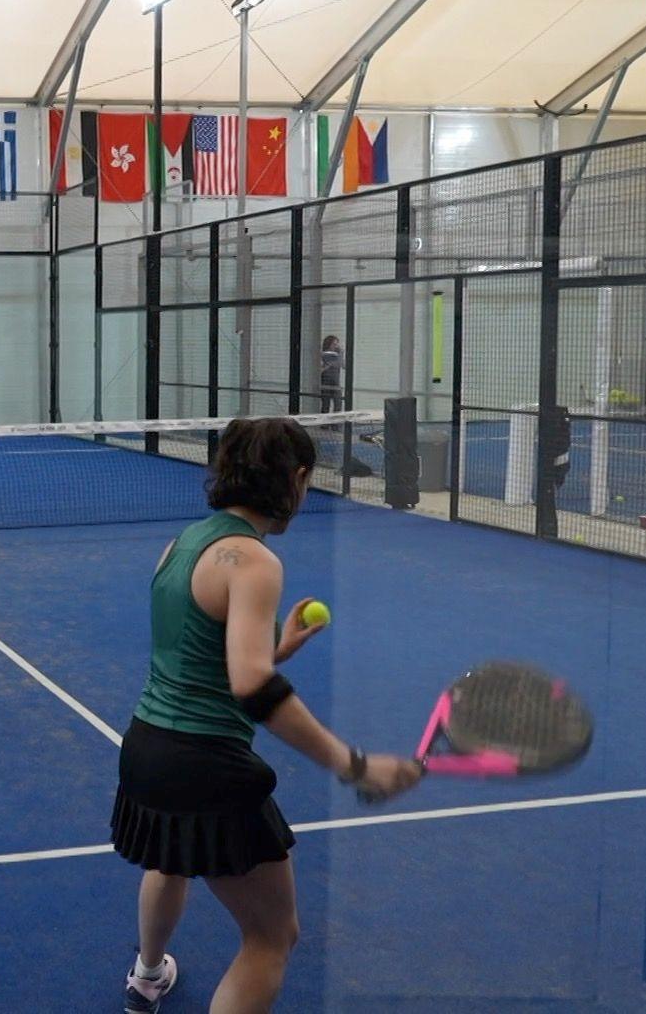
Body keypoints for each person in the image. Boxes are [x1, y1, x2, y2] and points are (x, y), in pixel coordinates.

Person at [113, 417, 420, 1013]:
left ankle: (148, 975)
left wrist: (274, 647)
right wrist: (353, 764)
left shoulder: (181, 545)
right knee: (271, 937)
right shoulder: (254, 562)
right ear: (297, 478)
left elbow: (194, 660)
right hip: (207, 768)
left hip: (146, 751)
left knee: (167, 861)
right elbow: (250, 684)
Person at [318, 336, 344, 414]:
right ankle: (325, 425)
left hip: (335, 382)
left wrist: (341, 354)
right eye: (334, 344)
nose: (335, 346)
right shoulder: (322, 355)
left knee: (338, 404)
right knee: (326, 404)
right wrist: (327, 366)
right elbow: (318, 370)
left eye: (336, 344)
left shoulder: (337, 355)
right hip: (325, 382)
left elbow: (343, 365)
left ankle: (335, 425)